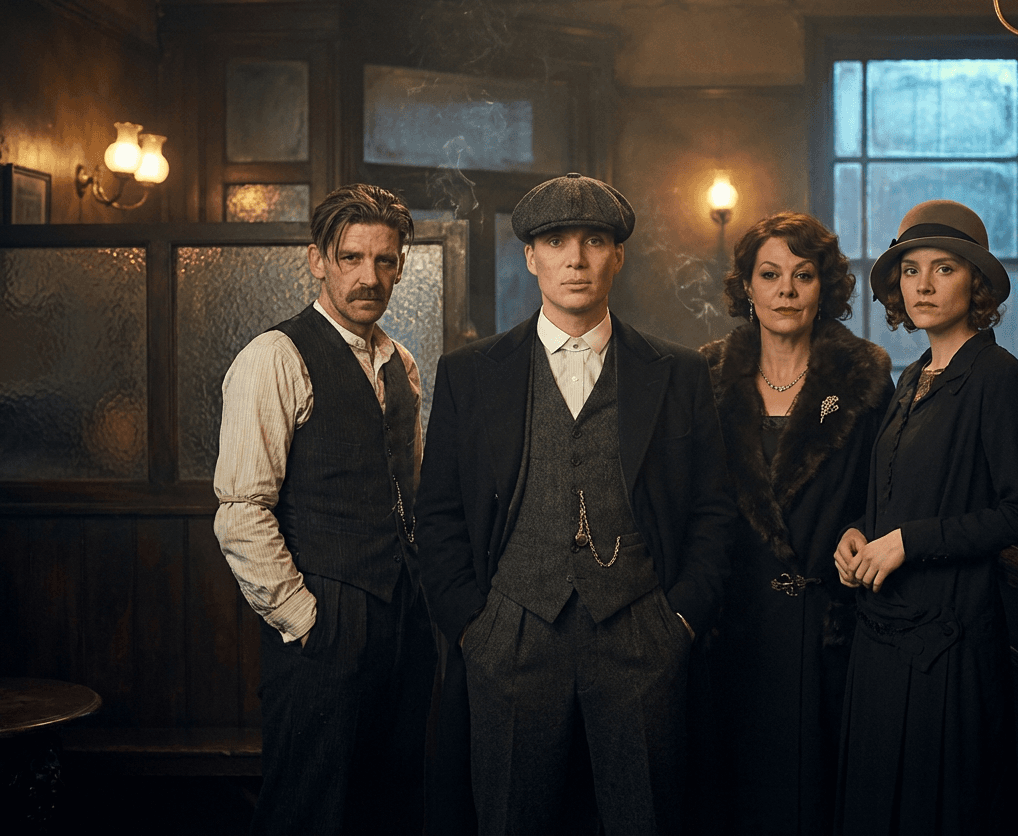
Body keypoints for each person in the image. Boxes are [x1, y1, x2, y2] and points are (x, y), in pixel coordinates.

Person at [416, 172, 737, 836]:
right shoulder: (471, 373)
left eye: (594, 241)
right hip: (511, 636)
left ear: (618, 256)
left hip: (640, 635)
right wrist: (475, 629)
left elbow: (713, 511)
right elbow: (440, 514)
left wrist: (678, 623)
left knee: (645, 820)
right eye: (556, 241)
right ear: (530, 257)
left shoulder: (675, 373)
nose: (576, 258)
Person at [213, 184, 437, 836]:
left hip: (403, 622)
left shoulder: (404, 365)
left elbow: (410, 493)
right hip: (324, 624)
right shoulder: (273, 357)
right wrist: (305, 619)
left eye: (386, 261)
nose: (370, 277)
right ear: (317, 259)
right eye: (351, 258)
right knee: (311, 813)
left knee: (393, 808)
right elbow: (241, 510)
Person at [833, 199, 1018, 836]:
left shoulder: (1000, 379)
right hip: (882, 636)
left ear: (975, 283)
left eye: (945, 268)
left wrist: (908, 542)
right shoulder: (912, 378)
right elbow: (897, 495)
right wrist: (859, 534)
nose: (923, 285)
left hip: (947, 648)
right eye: (911, 270)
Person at [700, 212, 892, 834]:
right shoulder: (701, 375)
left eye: (802, 276)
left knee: (818, 804)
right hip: (729, 626)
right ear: (747, 288)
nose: (785, 290)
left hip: (830, 629)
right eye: (770, 274)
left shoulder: (864, 374)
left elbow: (885, 492)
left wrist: (861, 529)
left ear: (824, 288)